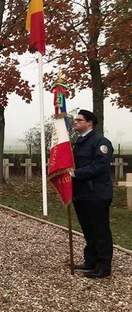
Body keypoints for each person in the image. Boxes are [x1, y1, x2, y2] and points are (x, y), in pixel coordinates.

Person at [70, 109, 114, 279]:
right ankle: (91, 260)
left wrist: (75, 174)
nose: (76, 122)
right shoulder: (79, 142)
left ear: (90, 123)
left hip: (97, 193)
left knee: (100, 230)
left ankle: (103, 265)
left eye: (79, 120)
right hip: (81, 193)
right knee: (88, 229)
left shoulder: (100, 142)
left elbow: (99, 166)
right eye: (75, 120)